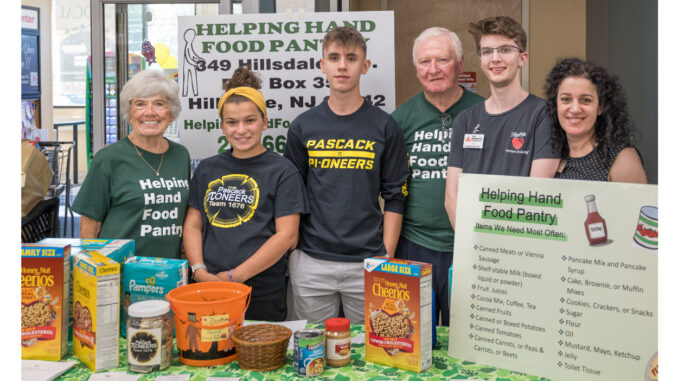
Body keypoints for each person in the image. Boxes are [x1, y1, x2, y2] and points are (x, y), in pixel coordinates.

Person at [283, 26, 409, 324]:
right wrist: (294, 253)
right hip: (312, 261)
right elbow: (291, 196)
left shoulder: (385, 127)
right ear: (322, 65)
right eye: (334, 57)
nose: (342, 65)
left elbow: (396, 196)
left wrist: (385, 256)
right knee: (314, 354)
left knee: (372, 354)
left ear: (364, 66)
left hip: (369, 260)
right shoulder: (303, 127)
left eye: (351, 58)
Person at [182, 66, 308, 321]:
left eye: (249, 120)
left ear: (264, 122)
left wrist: (234, 277)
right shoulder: (207, 169)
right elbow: (193, 225)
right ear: (222, 126)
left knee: (260, 358)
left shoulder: (283, 171)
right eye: (232, 122)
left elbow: (287, 235)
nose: (241, 130)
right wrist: (198, 270)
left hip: (261, 290)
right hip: (209, 285)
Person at [391, 27, 484, 326]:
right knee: (416, 336)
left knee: (468, 337)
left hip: (473, 245)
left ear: (459, 62)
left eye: (442, 60)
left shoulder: (485, 112)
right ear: (416, 68)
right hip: (414, 247)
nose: (433, 70)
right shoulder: (399, 119)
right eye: (424, 62)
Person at [445, 16, 560, 230]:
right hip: (472, 246)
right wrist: (470, 243)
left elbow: (537, 195)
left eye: (505, 50)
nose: (495, 58)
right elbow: (452, 196)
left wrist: (499, 247)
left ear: (522, 58)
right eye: (487, 51)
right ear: (480, 59)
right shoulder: (465, 120)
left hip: (518, 247)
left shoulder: (543, 115)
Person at [72, 70, 190, 258]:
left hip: (168, 270)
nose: (149, 112)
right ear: (130, 112)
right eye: (140, 104)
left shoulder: (180, 155)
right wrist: (93, 271)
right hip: (119, 272)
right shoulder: (108, 159)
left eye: (159, 104)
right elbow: (89, 226)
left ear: (171, 113)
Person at [544, 57, 647, 183]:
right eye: (566, 99)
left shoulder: (622, 158)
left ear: (600, 107)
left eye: (586, 100)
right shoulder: (548, 151)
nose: (575, 109)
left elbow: (637, 203)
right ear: (556, 105)